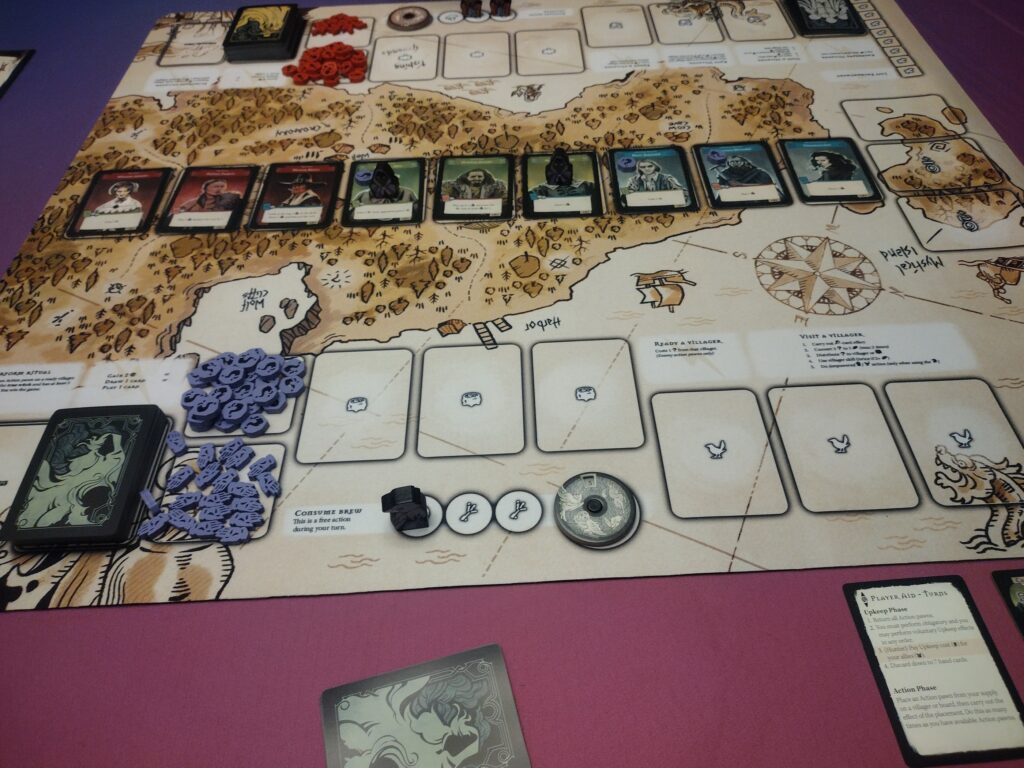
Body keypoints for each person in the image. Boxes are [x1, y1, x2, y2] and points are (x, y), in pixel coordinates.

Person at [529, 150, 594, 199]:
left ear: (569, 167)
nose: (559, 168)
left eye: (562, 164)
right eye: (555, 164)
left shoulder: (587, 186)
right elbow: (530, 201)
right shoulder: (539, 190)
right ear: (549, 168)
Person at [351, 162, 418, 206]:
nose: (382, 181)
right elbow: (351, 206)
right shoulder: (363, 195)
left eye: (385, 177)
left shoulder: (408, 193)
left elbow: (418, 208)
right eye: (378, 178)